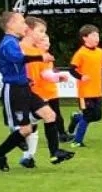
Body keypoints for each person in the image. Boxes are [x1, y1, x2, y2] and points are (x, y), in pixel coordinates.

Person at [0, 9, 41, 169]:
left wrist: (25, 78)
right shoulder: (8, 43)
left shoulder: (14, 41)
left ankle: (6, 151)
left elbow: (15, 66)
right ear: (11, 24)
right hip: (13, 90)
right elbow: (18, 58)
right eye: (22, 22)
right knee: (24, 129)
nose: (25, 25)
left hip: (23, 87)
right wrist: (40, 57)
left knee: (35, 122)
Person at [19, 19, 72, 165]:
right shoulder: (20, 48)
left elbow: (45, 74)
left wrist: (57, 77)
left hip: (40, 94)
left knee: (43, 120)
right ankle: (12, 151)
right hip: (24, 93)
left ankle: (33, 156)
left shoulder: (43, 56)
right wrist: (24, 80)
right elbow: (8, 66)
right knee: (31, 126)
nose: (45, 39)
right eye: (41, 33)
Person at [68, 26, 102, 145]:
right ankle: (77, 141)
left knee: (97, 116)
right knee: (88, 116)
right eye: (93, 35)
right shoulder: (81, 53)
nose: (97, 38)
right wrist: (81, 77)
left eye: (97, 35)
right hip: (85, 92)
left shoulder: (100, 52)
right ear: (85, 38)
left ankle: (76, 118)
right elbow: (71, 70)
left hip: (97, 91)